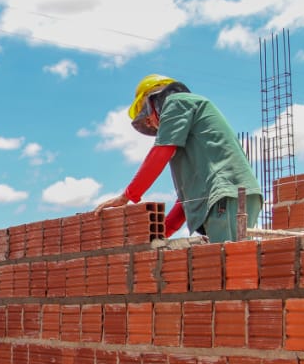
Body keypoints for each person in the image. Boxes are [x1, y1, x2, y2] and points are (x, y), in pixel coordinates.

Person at [95, 74, 261, 243]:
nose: (152, 124)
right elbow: (186, 200)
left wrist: (126, 196)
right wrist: (158, 236)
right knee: (230, 260)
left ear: (153, 101)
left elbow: (160, 153)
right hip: (230, 196)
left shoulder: (176, 103)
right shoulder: (187, 122)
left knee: (229, 264)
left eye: (148, 117)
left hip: (227, 195)